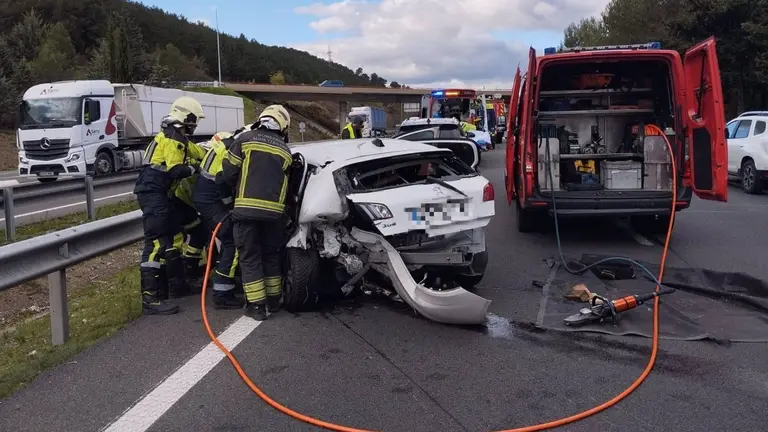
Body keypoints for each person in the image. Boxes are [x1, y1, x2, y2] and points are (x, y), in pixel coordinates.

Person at [134, 96, 207, 315]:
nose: (194, 125)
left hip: (163, 194)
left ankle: (177, 285)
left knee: (192, 225)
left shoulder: (175, 137)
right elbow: (176, 169)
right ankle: (151, 299)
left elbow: (198, 152)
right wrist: (196, 168)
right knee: (156, 243)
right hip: (154, 194)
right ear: (185, 117)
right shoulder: (174, 138)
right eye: (193, 120)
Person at [221, 105, 293, 320]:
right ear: (282, 126)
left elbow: (228, 172)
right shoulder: (285, 150)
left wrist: (234, 194)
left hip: (246, 212)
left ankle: (257, 307)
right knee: (271, 255)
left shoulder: (244, 140)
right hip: (274, 215)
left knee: (250, 257)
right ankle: (274, 300)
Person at [193, 130, 244, 309]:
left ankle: (227, 279)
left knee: (224, 239)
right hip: (211, 200)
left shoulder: (228, 143)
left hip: (205, 198)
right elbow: (223, 181)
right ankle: (222, 293)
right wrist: (230, 205)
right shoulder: (233, 149)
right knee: (233, 239)